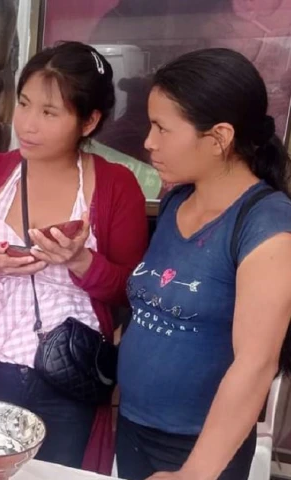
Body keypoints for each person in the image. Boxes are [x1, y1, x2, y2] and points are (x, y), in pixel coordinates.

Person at [0, 41, 148, 474]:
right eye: (24, 103)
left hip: (69, 372)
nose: (27, 124)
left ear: (89, 121)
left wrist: (81, 261)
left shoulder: (115, 184)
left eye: (50, 113)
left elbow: (132, 289)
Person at [116, 48, 291, 480]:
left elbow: (255, 364)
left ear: (218, 138)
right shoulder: (176, 199)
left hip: (201, 448)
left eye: (161, 128)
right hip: (135, 427)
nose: (148, 141)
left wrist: (196, 473)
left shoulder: (267, 226)